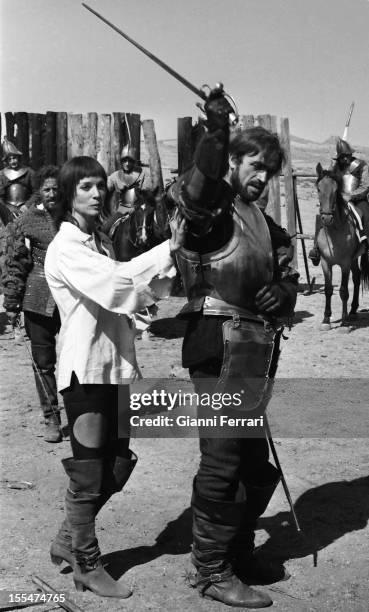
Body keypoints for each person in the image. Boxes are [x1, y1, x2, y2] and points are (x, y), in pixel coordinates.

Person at [166, 89, 298, 609]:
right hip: (215, 345)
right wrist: (216, 133)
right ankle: (210, 569)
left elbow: (287, 286)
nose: (261, 176)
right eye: (254, 164)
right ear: (235, 163)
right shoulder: (216, 211)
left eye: (270, 169)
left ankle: (239, 552)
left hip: (255, 352)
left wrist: (281, 294)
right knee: (222, 461)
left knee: (255, 467)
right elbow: (196, 194)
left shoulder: (272, 228)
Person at [44, 156, 185, 599]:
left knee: (117, 466)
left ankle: (68, 538)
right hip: (84, 370)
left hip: (115, 367)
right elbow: (115, 285)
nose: (97, 192)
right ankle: (86, 563)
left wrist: (141, 306)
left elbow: (123, 293)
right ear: (68, 196)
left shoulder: (99, 244)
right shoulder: (66, 248)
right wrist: (168, 250)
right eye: (85, 186)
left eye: (99, 185)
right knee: (89, 474)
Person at [2, 165, 62, 442]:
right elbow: (15, 262)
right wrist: (12, 302)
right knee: (44, 361)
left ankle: (84, 417)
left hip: (71, 298)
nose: (52, 193)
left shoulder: (74, 218)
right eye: (47, 189)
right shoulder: (26, 221)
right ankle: (51, 417)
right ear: (40, 190)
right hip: (37, 295)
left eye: (56, 188)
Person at [309, 138, 369, 265]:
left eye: (347, 156)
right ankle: (316, 248)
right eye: (343, 157)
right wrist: (332, 167)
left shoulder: (361, 165)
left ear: (351, 154)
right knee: (323, 214)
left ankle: (366, 245)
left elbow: (365, 186)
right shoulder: (336, 166)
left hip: (358, 199)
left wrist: (351, 196)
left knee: (365, 214)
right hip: (339, 200)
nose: (345, 159)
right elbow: (329, 182)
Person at [0, 137, 37, 224]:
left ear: (18, 157)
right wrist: (6, 210)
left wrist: (27, 206)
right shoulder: (1, 175)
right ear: (6, 161)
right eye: (10, 159)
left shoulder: (29, 172)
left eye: (14, 158)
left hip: (27, 209)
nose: (13, 161)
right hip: (7, 210)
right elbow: (0, 197)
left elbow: (37, 192)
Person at [107, 144, 150, 214]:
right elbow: (105, 191)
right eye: (124, 161)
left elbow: (147, 195)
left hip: (139, 211)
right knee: (108, 225)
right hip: (121, 211)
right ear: (121, 161)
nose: (127, 163)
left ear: (134, 162)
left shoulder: (143, 174)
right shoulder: (114, 176)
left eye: (130, 161)